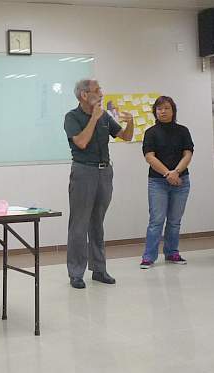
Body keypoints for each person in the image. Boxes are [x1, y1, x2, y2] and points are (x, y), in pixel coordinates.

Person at [64, 79, 134, 289]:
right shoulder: (72, 117)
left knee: (97, 222)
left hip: (105, 172)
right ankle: (76, 273)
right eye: (97, 90)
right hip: (84, 171)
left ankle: (99, 269)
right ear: (84, 95)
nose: (101, 93)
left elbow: (125, 136)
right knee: (79, 223)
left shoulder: (104, 115)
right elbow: (81, 142)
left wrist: (130, 122)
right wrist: (93, 119)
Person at [140, 96, 193, 269]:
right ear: (155, 112)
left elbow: (188, 154)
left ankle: (172, 253)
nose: (163, 111)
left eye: (166, 108)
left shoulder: (183, 131)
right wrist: (168, 174)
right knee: (156, 220)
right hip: (158, 182)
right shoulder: (151, 132)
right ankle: (149, 257)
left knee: (175, 220)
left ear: (173, 110)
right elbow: (149, 156)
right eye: (159, 108)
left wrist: (176, 172)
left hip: (181, 181)